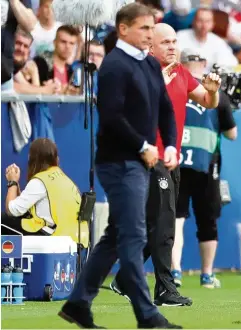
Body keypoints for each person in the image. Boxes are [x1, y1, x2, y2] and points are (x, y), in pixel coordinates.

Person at [58, 4, 181, 329]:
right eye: (143, 28)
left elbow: (166, 109)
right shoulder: (113, 65)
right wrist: (144, 146)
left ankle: (77, 304)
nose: (149, 33)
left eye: (151, 27)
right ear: (123, 29)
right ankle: (147, 314)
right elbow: (111, 117)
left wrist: (169, 144)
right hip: (119, 162)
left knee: (116, 236)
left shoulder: (150, 65)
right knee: (134, 236)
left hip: (139, 161)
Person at [111, 23, 221, 307]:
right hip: (148, 158)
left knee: (156, 226)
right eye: (166, 43)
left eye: (174, 41)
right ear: (150, 47)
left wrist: (213, 91)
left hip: (171, 160)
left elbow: (208, 101)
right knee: (164, 224)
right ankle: (164, 288)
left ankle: (124, 279)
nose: (173, 47)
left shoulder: (182, 73)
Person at [171, 48, 238, 289]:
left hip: (175, 160)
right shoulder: (216, 94)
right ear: (204, 63)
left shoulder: (173, 87)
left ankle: (175, 271)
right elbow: (232, 134)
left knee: (175, 219)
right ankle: (207, 274)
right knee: (207, 220)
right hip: (206, 165)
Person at [2, 138, 86, 243]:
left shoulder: (40, 181)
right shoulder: (64, 179)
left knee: (3, 221)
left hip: (51, 234)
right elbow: (26, 205)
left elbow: (12, 210)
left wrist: (12, 182)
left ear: (31, 158)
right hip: (72, 236)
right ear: (56, 159)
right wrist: (16, 185)